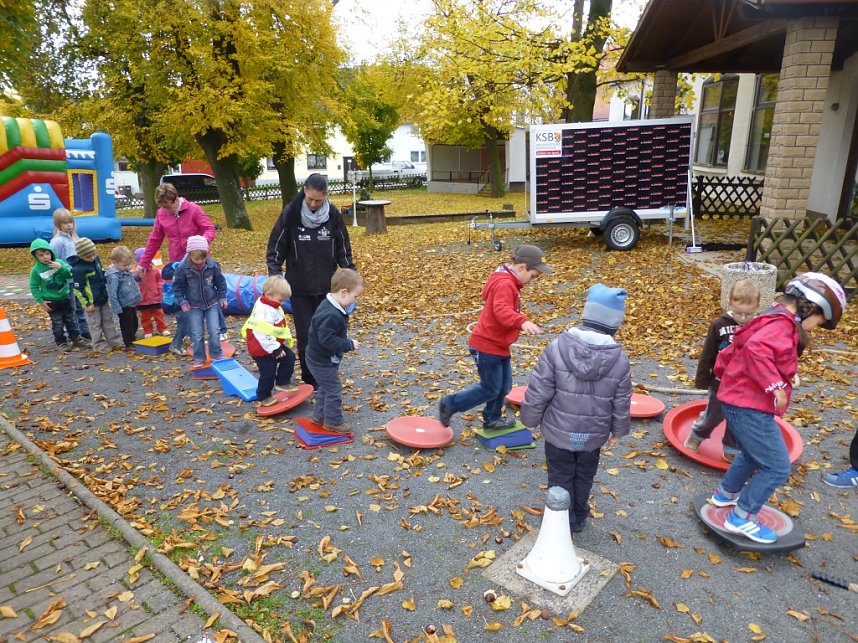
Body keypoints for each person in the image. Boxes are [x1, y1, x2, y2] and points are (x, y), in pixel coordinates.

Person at [710, 272, 846, 544]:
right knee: (777, 466)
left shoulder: (769, 317)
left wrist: (727, 377)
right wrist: (775, 385)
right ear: (808, 307)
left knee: (751, 452)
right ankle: (742, 517)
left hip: (737, 400)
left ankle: (725, 494)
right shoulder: (782, 327)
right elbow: (756, 351)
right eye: (818, 322)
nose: (813, 328)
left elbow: (736, 349)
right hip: (749, 405)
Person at [520, 284, 632, 534]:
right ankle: (578, 517)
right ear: (615, 324)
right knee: (584, 475)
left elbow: (539, 389)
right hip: (593, 435)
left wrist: (529, 419)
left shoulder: (557, 347)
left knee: (559, 475)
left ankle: (559, 519)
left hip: (559, 433)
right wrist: (618, 429)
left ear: (586, 315)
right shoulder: (619, 359)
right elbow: (622, 398)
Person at [438, 245, 553, 430]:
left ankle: (492, 419)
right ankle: (450, 404)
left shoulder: (508, 281)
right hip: (486, 346)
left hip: (498, 345)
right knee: (490, 388)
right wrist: (522, 322)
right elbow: (501, 311)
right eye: (533, 276)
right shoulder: (505, 284)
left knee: (503, 386)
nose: (532, 280)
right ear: (522, 267)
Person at [266, 174, 355, 388]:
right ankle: (310, 379)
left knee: (329, 332)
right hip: (300, 287)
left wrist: (350, 273)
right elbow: (276, 246)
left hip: (328, 288)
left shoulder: (332, 214)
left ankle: (327, 374)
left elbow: (343, 247)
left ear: (325, 196)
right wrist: (275, 273)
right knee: (306, 335)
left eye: (318, 200)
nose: (314, 204)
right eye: (311, 199)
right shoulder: (291, 213)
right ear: (304, 191)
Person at [136, 183, 227, 340]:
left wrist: (200, 244)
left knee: (208, 293)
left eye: (169, 206)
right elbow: (155, 239)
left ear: (175, 199)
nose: (167, 210)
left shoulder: (193, 210)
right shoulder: (161, 214)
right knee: (183, 297)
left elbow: (209, 229)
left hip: (198, 259)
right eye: (163, 206)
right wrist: (144, 263)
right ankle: (191, 333)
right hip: (178, 262)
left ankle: (220, 329)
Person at [685, 279, 760, 462]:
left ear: (757, 307)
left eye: (748, 314)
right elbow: (708, 353)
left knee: (738, 419)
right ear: (730, 303)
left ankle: (730, 448)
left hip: (745, 385)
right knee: (713, 415)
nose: (742, 318)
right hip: (720, 383)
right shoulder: (719, 324)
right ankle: (696, 435)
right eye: (738, 313)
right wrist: (702, 379)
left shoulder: (759, 326)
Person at [304, 269, 363, 433]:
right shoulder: (331, 314)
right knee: (334, 389)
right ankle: (333, 421)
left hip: (320, 358)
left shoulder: (329, 305)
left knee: (325, 387)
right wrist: (348, 344)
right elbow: (327, 340)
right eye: (355, 296)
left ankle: (319, 416)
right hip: (321, 361)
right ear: (344, 292)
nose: (354, 301)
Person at [241, 276, 298, 406]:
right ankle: (263, 396)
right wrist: (276, 349)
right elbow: (261, 333)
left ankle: (282, 382)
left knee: (289, 357)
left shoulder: (271, 303)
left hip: (272, 344)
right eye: (280, 300)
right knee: (268, 372)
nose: (282, 303)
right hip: (261, 348)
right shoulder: (264, 311)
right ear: (268, 294)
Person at [172, 236, 227, 367]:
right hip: (194, 305)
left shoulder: (212, 265)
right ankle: (199, 357)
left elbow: (221, 282)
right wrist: (182, 302)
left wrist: (222, 297)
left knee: (214, 330)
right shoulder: (182, 268)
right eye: (196, 259)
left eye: (203, 258)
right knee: (197, 333)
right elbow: (177, 287)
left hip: (211, 303)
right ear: (189, 254)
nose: (200, 261)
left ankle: (216, 353)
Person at [28, 238, 85, 351]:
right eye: (41, 255)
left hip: (65, 297)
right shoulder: (36, 270)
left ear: (51, 252)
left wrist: (61, 267)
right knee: (57, 323)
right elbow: (34, 287)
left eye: (47, 253)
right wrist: (41, 301)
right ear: (36, 256)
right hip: (51, 301)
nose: (45, 257)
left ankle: (76, 338)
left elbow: (70, 275)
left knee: (71, 319)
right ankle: (61, 343)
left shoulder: (59, 262)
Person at [70, 238, 122, 352]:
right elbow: (78, 289)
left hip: (102, 298)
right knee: (95, 324)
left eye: (93, 254)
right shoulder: (78, 269)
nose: (92, 258)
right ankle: (98, 344)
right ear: (80, 256)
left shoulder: (96, 260)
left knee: (108, 320)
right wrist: (86, 304)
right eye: (88, 257)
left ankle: (114, 341)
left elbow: (101, 272)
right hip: (91, 303)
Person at [49, 208, 90, 340]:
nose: (69, 225)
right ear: (58, 224)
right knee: (72, 307)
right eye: (65, 223)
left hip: (78, 278)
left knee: (80, 304)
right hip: (67, 280)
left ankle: (84, 329)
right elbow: (53, 260)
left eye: (70, 222)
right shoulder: (57, 241)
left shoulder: (75, 237)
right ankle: (76, 332)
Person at [105, 246, 142, 349]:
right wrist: (116, 307)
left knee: (134, 322)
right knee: (127, 324)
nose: (127, 267)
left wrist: (138, 276)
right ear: (115, 262)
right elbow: (112, 293)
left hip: (131, 302)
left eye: (128, 264)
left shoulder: (124, 270)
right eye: (124, 265)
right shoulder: (113, 276)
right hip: (123, 304)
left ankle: (132, 338)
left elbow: (131, 279)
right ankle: (128, 342)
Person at [134, 248, 170, 338]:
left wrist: (159, 288)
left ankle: (163, 328)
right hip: (143, 299)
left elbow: (160, 280)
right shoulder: (135, 272)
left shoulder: (154, 270)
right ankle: (147, 331)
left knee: (159, 315)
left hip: (155, 298)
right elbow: (134, 283)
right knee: (145, 317)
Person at [161, 261, 190, 357]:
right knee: (184, 324)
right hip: (176, 304)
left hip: (180, 303)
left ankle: (194, 340)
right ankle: (175, 345)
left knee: (189, 322)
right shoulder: (173, 272)